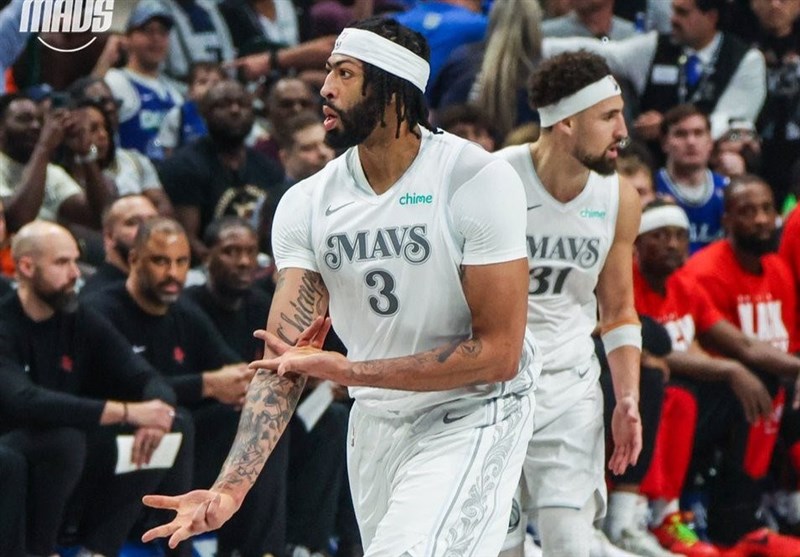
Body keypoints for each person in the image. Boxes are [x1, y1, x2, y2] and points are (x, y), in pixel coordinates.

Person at [141, 16, 540, 556]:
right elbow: (284, 359)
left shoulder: (475, 179)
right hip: (376, 417)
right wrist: (230, 487)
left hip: (474, 407)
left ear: (392, 89)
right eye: (328, 71)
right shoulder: (308, 202)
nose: (324, 88)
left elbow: (499, 354)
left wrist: (349, 371)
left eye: (344, 73)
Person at [495, 50, 642, 557]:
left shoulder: (619, 197)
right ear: (566, 123)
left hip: (570, 387)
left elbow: (618, 311)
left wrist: (627, 398)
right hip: (489, 388)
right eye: (609, 117)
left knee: (571, 543)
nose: (623, 131)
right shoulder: (494, 181)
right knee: (500, 547)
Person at [0, 221, 189, 557]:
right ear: (26, 267)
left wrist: (156, 411)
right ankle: (40, 551)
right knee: (65, 441)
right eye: (62, 263)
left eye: (76, 261)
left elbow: (144, 375)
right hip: (12, 438)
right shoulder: (5, 323)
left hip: (66, 440)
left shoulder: (79, 317)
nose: (75, 273)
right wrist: (127, 412)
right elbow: (23, 401)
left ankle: (98, 549)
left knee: (173, 425)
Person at [633, 199, 800, 554]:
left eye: (679, 235)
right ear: (636, 244)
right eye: (659, 236)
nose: (672, 244)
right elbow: (650, 352)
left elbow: (741, 344)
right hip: (641, 399)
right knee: (680, 392)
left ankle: (737, 509)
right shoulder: (628, 284)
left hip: (684, 401)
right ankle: (660, 516)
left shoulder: (683, 284)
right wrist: (729, 368)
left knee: (764, 383)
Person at [158, 79, 284, 262]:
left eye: (242, 104)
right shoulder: (184, 166)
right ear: (204, 113)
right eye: (223, 105)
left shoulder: (269, 168)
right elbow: (186, 238)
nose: (235, 110)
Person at [103, 0, 184, 158]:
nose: (156, 39)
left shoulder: (175, 93)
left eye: (162, 32)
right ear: (127, 38)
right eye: (148, 31)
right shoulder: (114, 81)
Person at [655, 104, 728, 253]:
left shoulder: (728, 190)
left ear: (710, 142)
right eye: (681, 134)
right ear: (664, 143)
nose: (691, 142)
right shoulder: (651, 188)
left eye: (698, 133)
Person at [80, 195, 159, 297]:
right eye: (133, 222)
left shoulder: (165, 285)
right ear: (109, 236)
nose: (147, 230)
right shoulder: (97, 297)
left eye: (153, 221)